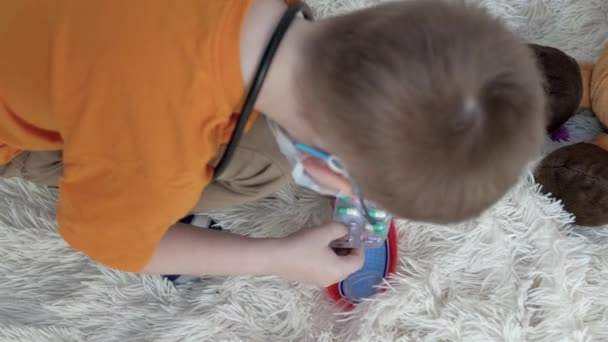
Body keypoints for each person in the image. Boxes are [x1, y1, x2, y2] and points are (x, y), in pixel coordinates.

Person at [0, 0, 545, 287]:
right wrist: (273, 257)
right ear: (333, 174)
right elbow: (108, 241)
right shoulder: (159, 155)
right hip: (16, 125)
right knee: (260, 171)